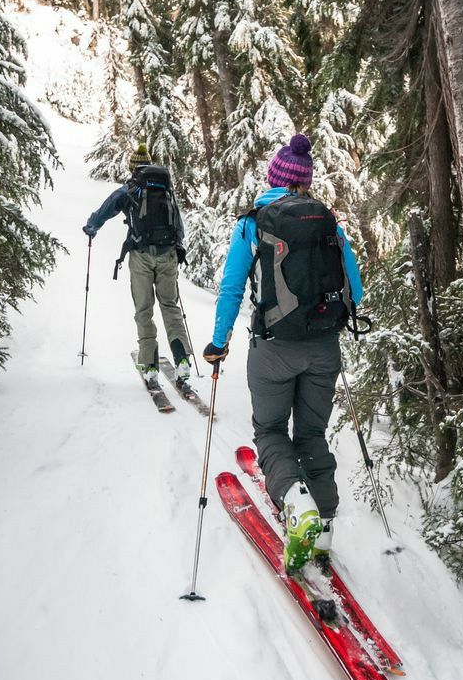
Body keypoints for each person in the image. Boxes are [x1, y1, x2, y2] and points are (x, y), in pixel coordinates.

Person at [203, 133, 364, 573]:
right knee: (311, 434)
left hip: (273, 350)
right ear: (305, 181)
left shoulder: (254, 222)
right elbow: (358, 289)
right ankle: (324, 524)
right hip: (324, 350)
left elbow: (232, 287)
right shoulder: (328, 222)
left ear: (274, 178)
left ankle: (297, 504)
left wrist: (219, 344)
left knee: (271, 430)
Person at [83, 143, 192, 389]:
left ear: (132, 167)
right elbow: (178, 226)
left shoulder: (129, 190)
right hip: (168, 256)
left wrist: (91, 227)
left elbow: (104, 211)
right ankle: (182, 358)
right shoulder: (166, 190)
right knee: (169, 306)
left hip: (141, 256)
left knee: (144, 309)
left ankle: (150, 366)